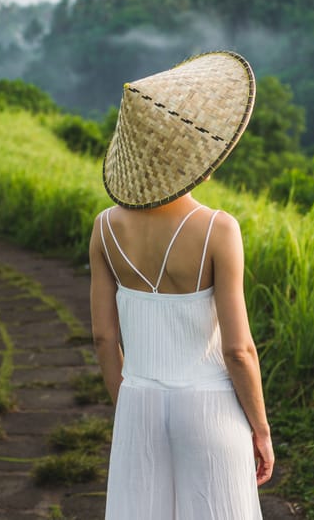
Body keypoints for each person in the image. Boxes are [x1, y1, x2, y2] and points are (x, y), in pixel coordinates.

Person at [89, 51, 274, 519]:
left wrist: (129, 404)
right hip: (209, 407)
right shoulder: (218, 229)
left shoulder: (105, 228)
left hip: (138, 400)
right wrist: (261, 429)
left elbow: (104, 337)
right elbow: (238, 351)